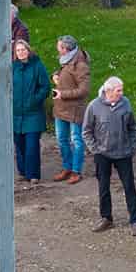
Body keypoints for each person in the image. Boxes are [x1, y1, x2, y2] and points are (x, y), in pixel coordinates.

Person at [81, 75, 136, 234]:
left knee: (129, 186)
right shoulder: (94, 106)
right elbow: (86, 131)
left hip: (123, 153)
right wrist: (95, 149)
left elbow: (133, 127)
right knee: (103, 186)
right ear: (108, 91)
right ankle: (106, 218)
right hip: (103, 154)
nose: (121, 93)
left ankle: (135, 220)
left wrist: (132, 147)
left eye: (121, 90)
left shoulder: (126, 104)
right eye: (118, 90)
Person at [50, 34, 90, 183]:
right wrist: (55, 75)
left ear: (65, 49)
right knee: (62, 140)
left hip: (74, 110)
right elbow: (64, 74)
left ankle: (76, 170)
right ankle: (67, 167)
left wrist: (62, 94)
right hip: (61, 110)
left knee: (76, 140)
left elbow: (84, 90)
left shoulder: (80, 65)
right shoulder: (67, 60)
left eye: (59, 46)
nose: (57, 48)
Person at [11, 38, 51, 186]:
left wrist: (34, 100)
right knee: (19, 145)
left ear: (28, 50)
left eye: (23, 50)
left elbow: (45, 87)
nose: (21, 53)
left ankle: (33, 174)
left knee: (32, 145)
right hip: (16, 113)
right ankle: (23, 172)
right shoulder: (13, 67)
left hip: (33, 113)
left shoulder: (37, 66)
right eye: (18, 51)